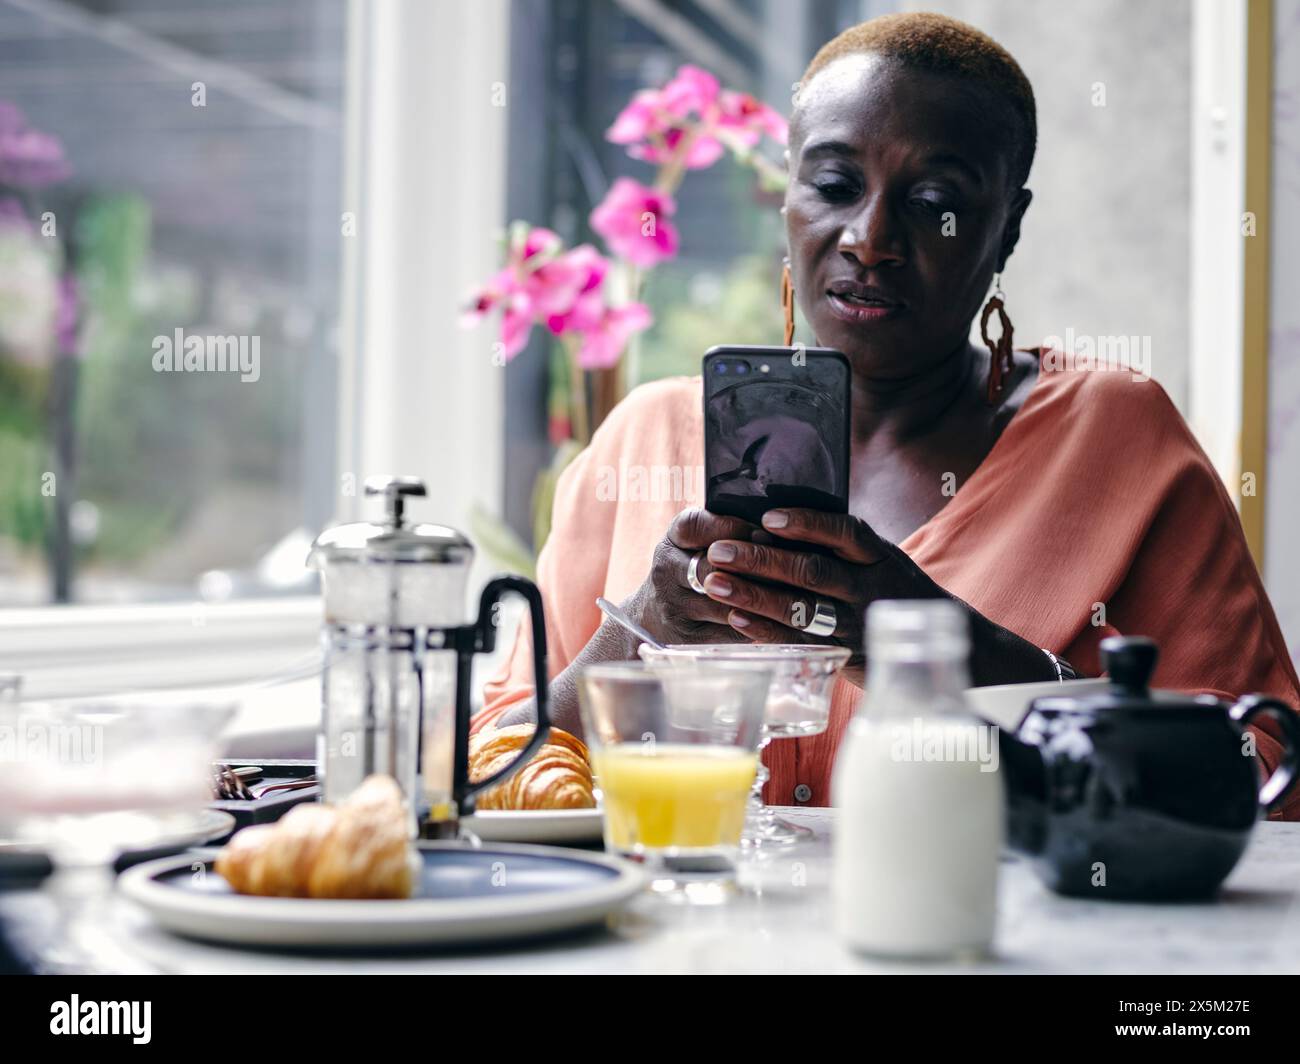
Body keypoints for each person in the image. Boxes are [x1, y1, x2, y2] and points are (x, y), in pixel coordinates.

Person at [475, 12, 1300, 817]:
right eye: (834, 186)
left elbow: (1269, 778)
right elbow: (482, 768)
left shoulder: (1115, 439)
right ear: (787, 202)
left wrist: (953, 653)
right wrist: (640, 636)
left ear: (1006, 228)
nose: (871, 238)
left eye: (934, 198)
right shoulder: (646, 439)